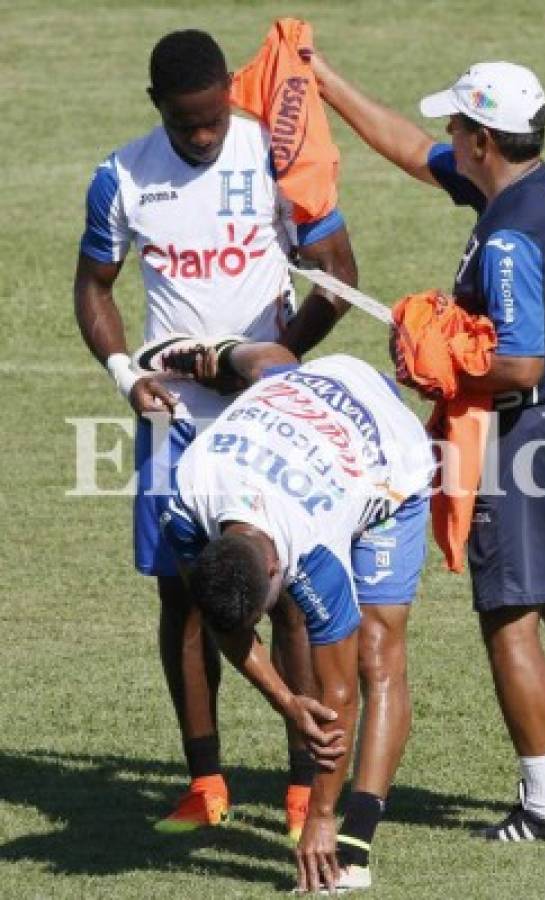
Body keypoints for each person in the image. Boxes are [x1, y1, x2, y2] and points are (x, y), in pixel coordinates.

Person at [312, 54, 545, 840]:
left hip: (529, 429)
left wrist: (443, 366)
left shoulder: (505, 240)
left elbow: (517, 362)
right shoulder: (535, 184)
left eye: (456, 125)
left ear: (484, 140)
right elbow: (404, 146)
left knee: (508, 614)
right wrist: (322, 79)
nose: (445, 134)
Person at [73, 29, 358, 835]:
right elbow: (93, 284)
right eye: (183, 123)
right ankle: (205, 782)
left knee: (289, 597)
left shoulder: (272, 153)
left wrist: (272, 362)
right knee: (186, 599)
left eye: (211, 119)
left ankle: (304, 788)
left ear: (230, 96)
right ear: (155, 106)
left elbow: (339, 273)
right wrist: (128, 374)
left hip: (270, 422)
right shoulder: (121, 177)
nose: (201, 137)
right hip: (175, 426)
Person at [160, 340, 435, 892]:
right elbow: (224, 622)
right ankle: (230, 352)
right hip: (300, 420)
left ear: (275, 572)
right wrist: (283, 697)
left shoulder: (314, 554)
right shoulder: (188, 498)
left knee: (375, 652)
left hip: (387, 458)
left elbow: (338, 697)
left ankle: (355, 835)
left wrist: (321, 815)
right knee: (264, 364)